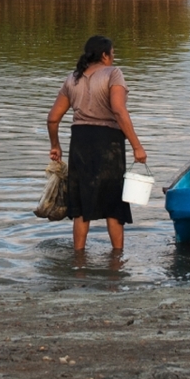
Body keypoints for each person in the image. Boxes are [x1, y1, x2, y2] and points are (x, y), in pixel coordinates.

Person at [46, 36, 147, 252]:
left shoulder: (72, 78)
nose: (114, 56)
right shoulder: (113, 73)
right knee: (113, 202)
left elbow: (53, 118)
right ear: (104, 55)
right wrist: (137, 146)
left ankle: (79, 260)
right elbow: (119, 110)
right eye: (113, 52)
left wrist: (56, 145)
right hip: (107, 140)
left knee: (82, 203)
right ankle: (117, 260)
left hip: (80, 141)